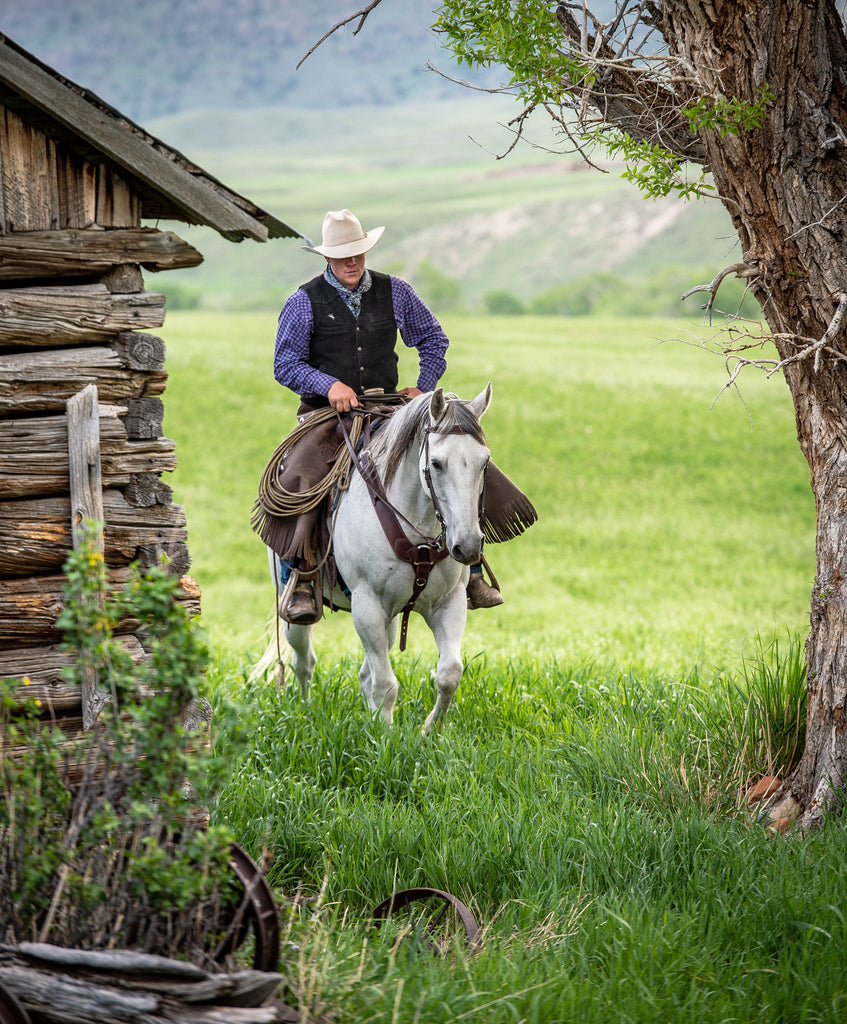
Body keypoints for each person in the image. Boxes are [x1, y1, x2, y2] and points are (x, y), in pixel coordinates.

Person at [272, 208, 504, 623]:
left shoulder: (395, 291)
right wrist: (328, 385)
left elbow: (434, 339)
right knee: (300, 477)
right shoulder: (303, 300)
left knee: (463, 460)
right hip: (327, 415)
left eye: (357, 252)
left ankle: (470, 568)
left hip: (391, 408)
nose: (352, 261)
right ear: (326, 257)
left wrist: (423, 385)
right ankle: (303, 579)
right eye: (342, 254)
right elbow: (285, 363)